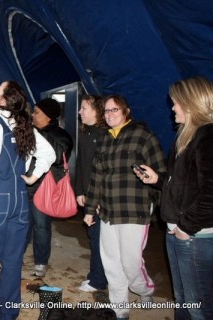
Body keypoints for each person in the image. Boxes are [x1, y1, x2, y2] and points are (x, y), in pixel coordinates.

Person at [0, 80, 54, 320]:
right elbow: (49, 153)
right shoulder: (22, 123)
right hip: (19, 201)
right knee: (12, 264)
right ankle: (8, 313)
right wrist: (32, 177)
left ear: (3, 99)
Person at [134, 76, 213, 320]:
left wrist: (186, 228)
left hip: (195, 236)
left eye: (175, 103)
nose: (172, 108)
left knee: (198, 306)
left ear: (190, 104)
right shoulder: (187, 135)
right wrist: (157, 179)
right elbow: (184, 183)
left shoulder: (208, 136)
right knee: (183, 301)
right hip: (179, 230)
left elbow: (210, 193)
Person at [83, 94, 166, 319]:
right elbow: (97, 177)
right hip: (108, 211)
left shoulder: (143, 137)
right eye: (107, 111)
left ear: (125, 111)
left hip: (134, 210)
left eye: (114, 110)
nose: (110, 115)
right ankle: (120, 309)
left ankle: (144, 289)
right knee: (111, 262)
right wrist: (90, 209)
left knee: (131, 262)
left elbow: (161, 175)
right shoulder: (105, 139)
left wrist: (165, 213)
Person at [24, 98, 73, 278]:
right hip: (25, 185)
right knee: (22, 223)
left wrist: (40, 140)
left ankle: (41, 262)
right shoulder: (30, 132)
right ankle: (18, 255)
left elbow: (57, 158)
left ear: (48, 116)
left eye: (36, 112)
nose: (32, 115)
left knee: (41, 226)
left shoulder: (61, 136)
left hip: (43, 189)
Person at [75, 95, 108, 292]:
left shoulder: (105, 135)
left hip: (99, 199)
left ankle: (98, 280)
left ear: (96, 110)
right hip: (88, 196)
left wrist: (98, 198)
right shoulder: (87, 134)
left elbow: (105, 171)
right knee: (93, 236)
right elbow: (80, 165)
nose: (80, 112)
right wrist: (79, 190)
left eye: (84, 108)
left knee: (99, 239)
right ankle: (95, 275)